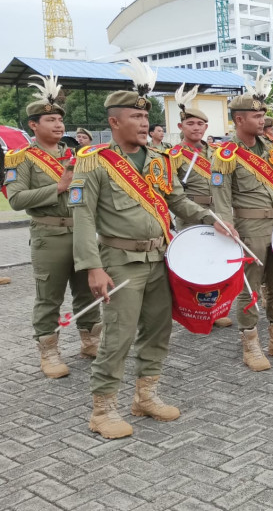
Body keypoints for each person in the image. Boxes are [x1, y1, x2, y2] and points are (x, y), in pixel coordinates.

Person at [71, 59, 234, 439]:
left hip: (161, 256)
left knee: (158, 330)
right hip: (119, 260)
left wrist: (212, 219)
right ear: (114, 122)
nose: (144, 123)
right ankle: (103, 409)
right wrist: (92, 267)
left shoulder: (160, 160)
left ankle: (145, 395)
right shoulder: (94, 163)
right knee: (119, 335)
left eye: (146, 117)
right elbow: (82, 219)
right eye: (135, 117)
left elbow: (178, 201)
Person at [211, 73, 273, 371]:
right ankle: (250, 344)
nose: (262, 119)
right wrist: (226, 222)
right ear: (240, 120)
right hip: (249, 228)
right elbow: (220, 193)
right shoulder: (226, 153)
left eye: (263, 114)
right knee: (249, 287)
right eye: (256, 115)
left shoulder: (271, 148)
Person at [5, 74, 100, 379]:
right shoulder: (20, 159)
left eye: (60, 119)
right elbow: (17, 200)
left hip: (82, 232)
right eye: (49, 119)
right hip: (49, 235)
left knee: (88, 291)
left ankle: (90, 341)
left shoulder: (77, 155)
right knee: (50, 297)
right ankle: (49, 352)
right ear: (33, 125)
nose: (58, 125)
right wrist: (59, 186)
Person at [168, 85, 232, 329]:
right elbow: (170, 192)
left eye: (200, 124)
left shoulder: (217, 153)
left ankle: (216, 308)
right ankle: (194, 310)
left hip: (219, 213)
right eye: (190, 124)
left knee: (215, 261)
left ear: (206, 127)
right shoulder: (173, 155)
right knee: (193, 263)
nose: (196, 128)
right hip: (191, 216)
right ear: (181, 127)